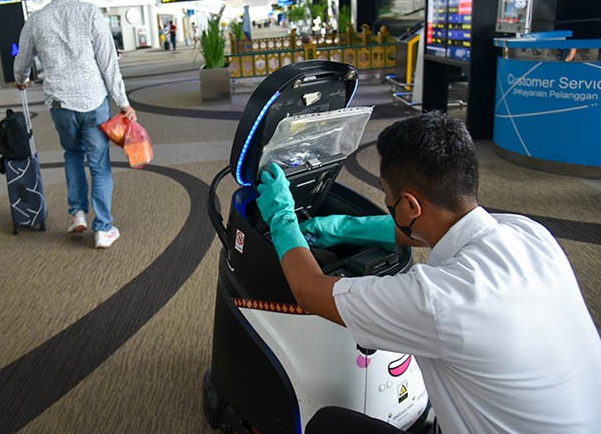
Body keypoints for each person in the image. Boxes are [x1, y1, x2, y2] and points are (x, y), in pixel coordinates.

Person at [255, 111, 601, 433]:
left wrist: (283, 218)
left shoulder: (439, 300)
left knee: (327, 424)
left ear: (409, 205)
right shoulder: (529, 233)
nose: (388, 206)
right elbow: (435, 228)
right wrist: (343, 227)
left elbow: (310, 290)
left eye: (389, 199)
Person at [13, 0, 136, 249]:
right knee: (99, 165)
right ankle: (103, 229)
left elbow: (22, 60)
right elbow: (108, 62)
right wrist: (123, 102)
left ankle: (77, 212)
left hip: (60, 102)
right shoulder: (91, 13)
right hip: (93, 100)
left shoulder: (36, 20)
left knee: (72, 154)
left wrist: (21, 79)